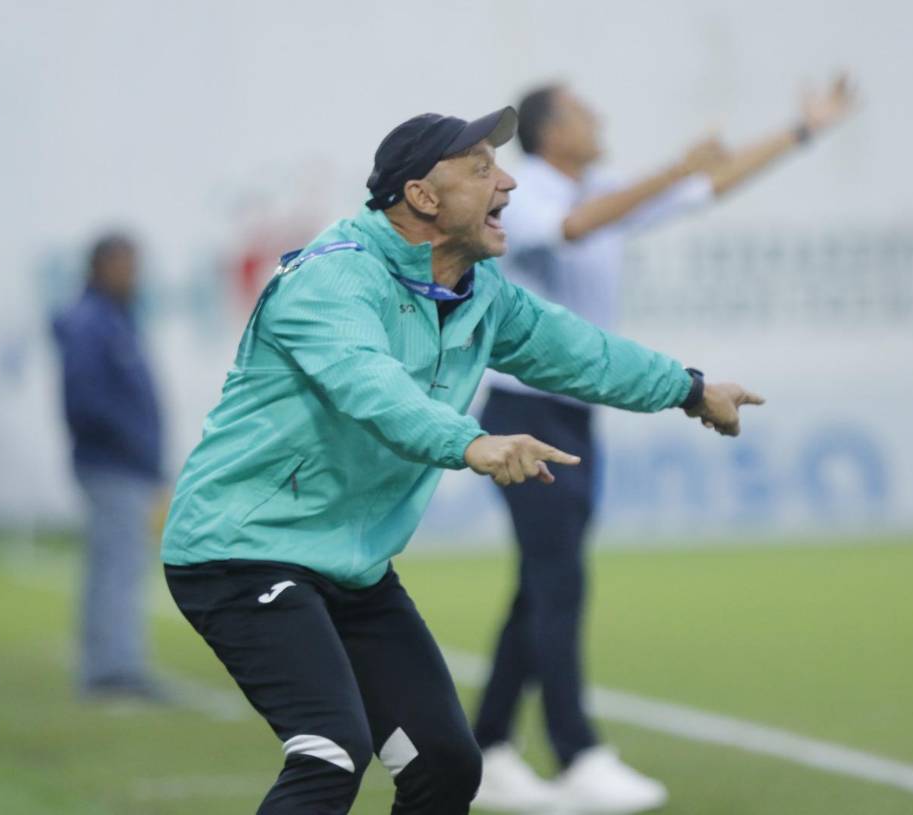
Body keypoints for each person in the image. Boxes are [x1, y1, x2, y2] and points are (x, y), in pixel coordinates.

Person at [161, 106, 763, 815]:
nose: (506, 182)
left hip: (350, 568)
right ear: (421, 196)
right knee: (329, 749)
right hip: (241, 552)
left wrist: (689, 388)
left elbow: (579, 350)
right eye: (480, 169)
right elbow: (371, 387)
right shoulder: (332, 279)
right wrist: (472, 443)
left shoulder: (481, 295)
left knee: (447, 763)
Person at [471, 76, 857, 813]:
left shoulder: (601, 187)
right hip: (524, 411)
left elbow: (708, 182)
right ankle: (576, 749)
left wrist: (800, 130)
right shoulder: (531, 193)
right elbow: (580, 225)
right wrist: (674, 169)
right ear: (552, 132)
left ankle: (486, 745)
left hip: (573, 414)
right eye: (586, 112)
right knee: (558, 581)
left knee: (542, 582)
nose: (600, 118)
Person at [53, 233, 164, 698]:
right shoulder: (91, 323)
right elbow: (84, 399)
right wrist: (129, 444)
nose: (134, 276)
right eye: (126, 265)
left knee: (114, 564)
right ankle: (114, 669)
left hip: (122, 463)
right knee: (119, 566)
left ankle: (106, 664)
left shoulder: (114, 320)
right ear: (100, 266)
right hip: (111, 464)